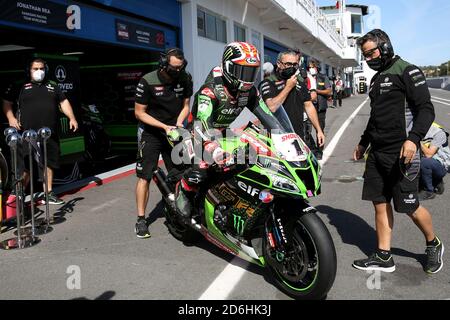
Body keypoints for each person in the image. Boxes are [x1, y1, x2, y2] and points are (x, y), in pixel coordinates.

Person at [352, 29, 443, 274]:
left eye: (372, 52)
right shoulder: (376, 79)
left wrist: (413, 140)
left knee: (410, 207)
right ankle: (383, 256)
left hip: (403, 153)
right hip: (377, 153)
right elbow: (375, 117)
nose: (369, 57)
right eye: (365, 55)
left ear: (385, 46)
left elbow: (426, 109)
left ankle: (433, 244)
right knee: (379, 204)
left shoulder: (407, 70)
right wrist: (363, 143)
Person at [174, 42, 263, 220]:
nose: (248, 78)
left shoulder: (250, 91)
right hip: (197, 134)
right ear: (229, 67)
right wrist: (213, 148)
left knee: (249, 161)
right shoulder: (211, 90)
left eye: (251, 72)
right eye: (242, 71)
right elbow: (202, 123)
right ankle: (184, 188)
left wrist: (280, 134)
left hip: (223, 132)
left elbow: (265, 114)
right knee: (201, 171)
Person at [2, 58, 78, 205]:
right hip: (27, 133)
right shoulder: (21, 86)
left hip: (49, 133)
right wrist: (11, 118)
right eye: (35, 69)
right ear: (29, 70)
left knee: (49, 163)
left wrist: (72, 118)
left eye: (41, 69)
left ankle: (48, 193)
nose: (39, 72)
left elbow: (64, 102)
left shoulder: (52, 86)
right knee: (26, 164)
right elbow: (6, 102)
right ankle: (19, 194)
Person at [134, 48, 193, 238]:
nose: (177, 72)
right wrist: (164, 126)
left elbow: (185, 106)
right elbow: (139, 113)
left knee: (180, 172)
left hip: (173, 131)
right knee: (145, 175)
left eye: (180, 68)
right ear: (164, 64)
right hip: (150, 132)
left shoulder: (185, 78)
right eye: (173, 68)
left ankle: (178, 209)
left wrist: (177, 124)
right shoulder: (147, 80)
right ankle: (141, 220)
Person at [259, 50, 325, 150]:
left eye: (295, 64)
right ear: (279, 64)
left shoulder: (300, 80)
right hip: (277, 138)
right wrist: (288, 87)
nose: (292, 67)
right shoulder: (269, 82)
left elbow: (308, 105)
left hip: (297, 136)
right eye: (288, 64)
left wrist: (318, 130)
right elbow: (272, 107)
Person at [307, 59, 331, 160]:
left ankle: (319, 151)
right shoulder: (306, 78)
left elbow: (329, 91)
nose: (311, 69)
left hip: (320, 108)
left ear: (317, 67)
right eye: (309, 67)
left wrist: (317, 91)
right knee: (306, 130)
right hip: (308, 108)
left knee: (319, 130)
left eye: (312, 67)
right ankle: (310, 149)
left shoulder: (323, 77)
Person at [419, 122, 450, 200]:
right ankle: (436, 182)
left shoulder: (438, 132)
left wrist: (415, 140)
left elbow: (428, 154)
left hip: (440, 165)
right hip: (423, 159)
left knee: (425, 162)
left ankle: (429, 191)